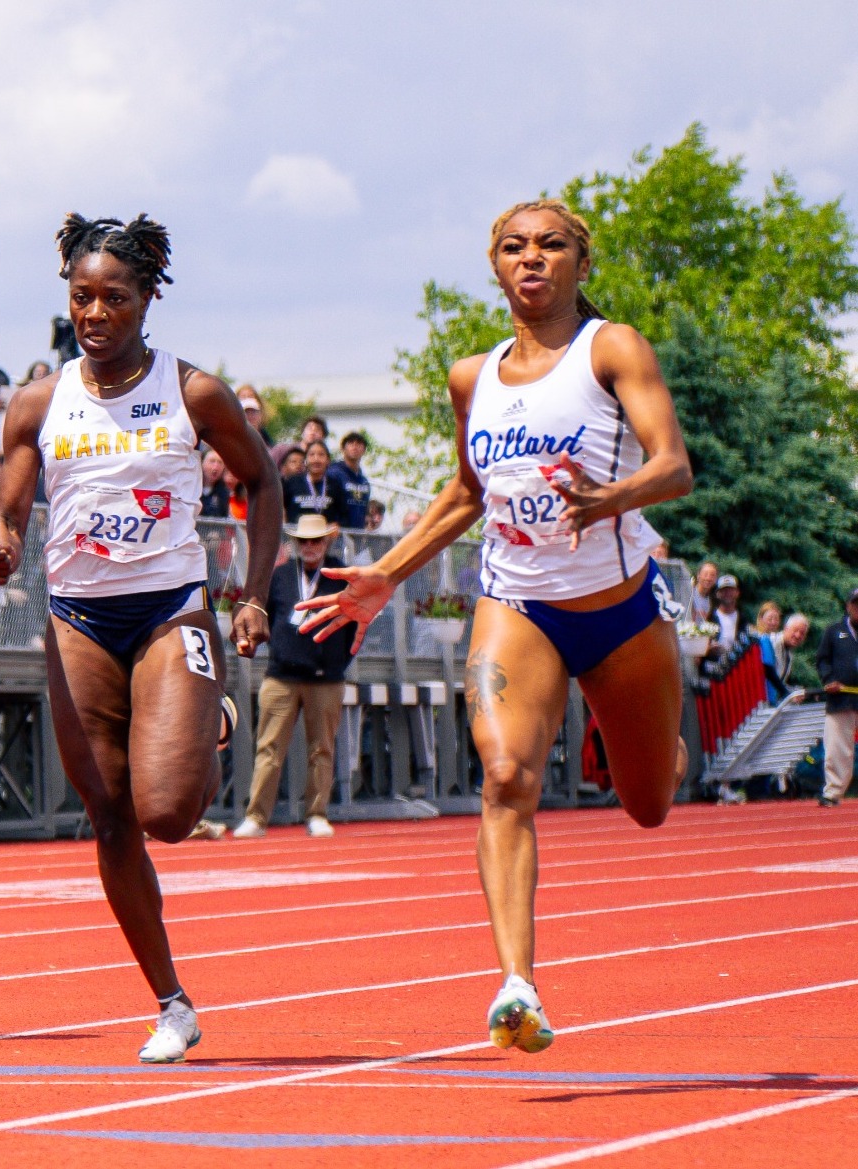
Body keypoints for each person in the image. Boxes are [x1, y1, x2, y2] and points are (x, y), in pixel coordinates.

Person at [299, 198, 693, 1055]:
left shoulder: (611, 348)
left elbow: (673, 465)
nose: (532, 259)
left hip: (620, 610)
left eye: (551, 246)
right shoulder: (470, 377)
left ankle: (653, 741)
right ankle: (517, 981)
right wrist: (384, 574)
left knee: (649, 805)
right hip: (517, 604)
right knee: (506, 772)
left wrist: (611, 497)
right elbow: (465, 496)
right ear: (494, 265)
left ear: (579, 263)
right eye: (514, 247)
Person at [0, 213, 282, 1063]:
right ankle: (170, 1000)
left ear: (148, 299)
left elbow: (261, 487)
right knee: (110, 816)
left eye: (115, 297)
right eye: (82, 297)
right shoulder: (38, 401)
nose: (96, 313)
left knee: (168, 813)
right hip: (76, 615)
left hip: (168, 608)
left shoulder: (192, 393)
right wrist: (2, 541)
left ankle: (207, 714)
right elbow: (10, 503)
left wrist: (251, 593)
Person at [234, 514, 355, 839]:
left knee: (322, 749)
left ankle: (317, 813)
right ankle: (256, 818)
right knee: (269, 748)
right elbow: (266, 618)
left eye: (316, 540)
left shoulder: (340, 576)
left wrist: (337, 663)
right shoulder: (281, 576)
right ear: (296, 544)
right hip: (281, 675)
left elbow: (356, 626)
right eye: (304, 541)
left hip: (326, 678)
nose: (310, 547)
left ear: (327, 541)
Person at [816, 588, 858, 808]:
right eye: (856, 604)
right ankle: (833, 791)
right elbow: (822, 660)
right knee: (837, 747)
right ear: (848, 606)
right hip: (840, 698)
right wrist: (829, 680)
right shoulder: (834, 631)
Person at [327, 431, 373, 530]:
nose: (355, 446)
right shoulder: (334, 474)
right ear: (343, 449)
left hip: (357, 534)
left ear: (364, 450)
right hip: (337, 533)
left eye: (359, 444)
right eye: (351, 443)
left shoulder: (364, 481)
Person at [282, 438, 334, 524]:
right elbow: (281, 509)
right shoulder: (291, 482)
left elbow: (341, 516)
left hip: (324, 536)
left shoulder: (335, 484)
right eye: (311, 455)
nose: (316, 459)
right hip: (296, 535)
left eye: (321, 455)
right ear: (305, 460)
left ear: (328, 460)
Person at [712, 574, 743, 648]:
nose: (727, 593)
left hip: (736, 659)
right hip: (714, 659)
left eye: (731, 590)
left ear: (737, 593)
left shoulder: (742, 619)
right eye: (724, 590)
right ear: (717, 594)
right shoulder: (710, 617)